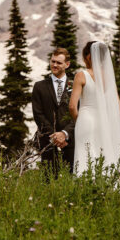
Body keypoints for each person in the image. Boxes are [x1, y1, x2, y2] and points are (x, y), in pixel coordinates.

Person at [69, 41, 120, 178]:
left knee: (86, 155)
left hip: (86, 120)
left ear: (88, 57)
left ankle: (84, 187)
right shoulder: (109, 78)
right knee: (104, 155)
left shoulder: (81, 75)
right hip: (105, 122)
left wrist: (78, 120)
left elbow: (72, 106)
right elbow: (118, 110)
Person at [31, 47, 76, 176]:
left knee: (70, 181)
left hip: (71, 142)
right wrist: (55, 137)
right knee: (48, 181)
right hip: (48, 143)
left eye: (59, 62)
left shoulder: (75, 86)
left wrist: (65, 133)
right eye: (53, 61)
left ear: (67, 64)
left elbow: (80, 113)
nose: (54, 65)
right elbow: (38, 114)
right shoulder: (39, 86)